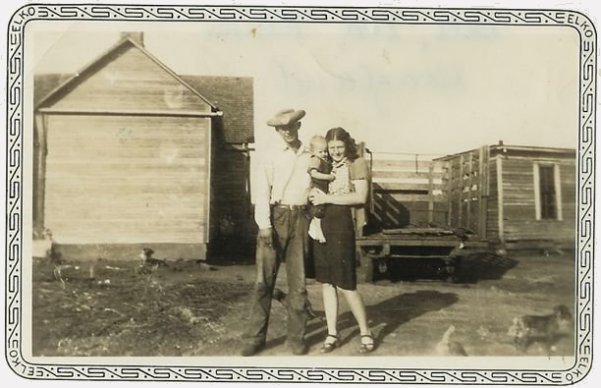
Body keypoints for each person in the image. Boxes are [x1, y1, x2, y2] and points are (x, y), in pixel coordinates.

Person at [241, 108, 312, 356]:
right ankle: (255, 337)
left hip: (302, 217)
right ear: (277, 131)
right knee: (264, 282)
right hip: (275, 216)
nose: (288, 131)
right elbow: (261, 191)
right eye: (282, 128)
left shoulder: (310, 155)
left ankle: (296, 338)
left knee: (299, 284)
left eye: (292, 126)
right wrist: (264, 225)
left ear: (299, 126)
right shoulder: (269, 155)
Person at [309, 127, 375, 354]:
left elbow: (360, 197)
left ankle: (365, 331)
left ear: (347, 145)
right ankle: (332, 333)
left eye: (340, 147)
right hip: (322, 223)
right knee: (327, 282)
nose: (336, 151)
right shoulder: (325, 164)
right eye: (332, 147)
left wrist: (326, 197)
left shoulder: (357, 164)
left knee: (346, 283)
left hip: (342, 224)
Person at [307, 135, 335, 244]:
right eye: (321, 151)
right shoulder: (315, 159)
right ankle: (315, 228)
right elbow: (313, 174)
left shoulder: (324, 160)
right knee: (318, 209)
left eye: (325, 151)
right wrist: (329, 177)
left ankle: (317, 227)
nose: (324, 154)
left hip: (322, 188)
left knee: (322, 209)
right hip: (316, 187)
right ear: (313, 152)